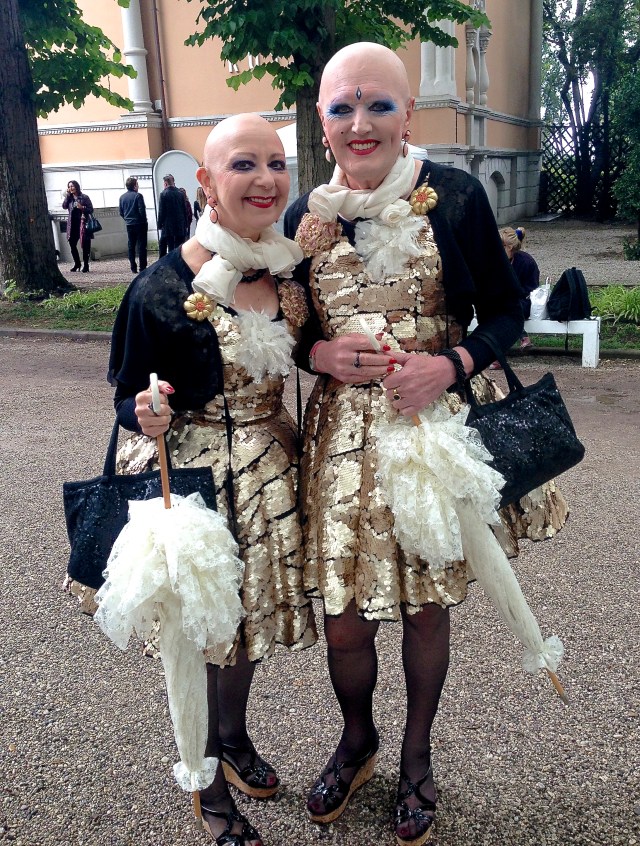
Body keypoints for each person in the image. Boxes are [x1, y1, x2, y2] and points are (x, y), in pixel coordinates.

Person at [284, 43, 524, 846]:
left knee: (424, 612)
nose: (361, 123)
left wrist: (451, 363)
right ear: (322, 121)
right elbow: (281, 333)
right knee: (346, 620)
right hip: (341, 445)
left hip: (432, 426)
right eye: (343, 107)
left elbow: (508, 314)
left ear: (407, 114)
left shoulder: (452, 196)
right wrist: (316, 355)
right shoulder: (302, 217)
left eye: (378, 105)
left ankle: (417, 758)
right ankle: (359, 741)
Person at [108, 113, 316, 846]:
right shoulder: (160, 288)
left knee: (249, 624)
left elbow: (315, 349)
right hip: (193, 482)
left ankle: (231, 739)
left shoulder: (289, 274)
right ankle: (206, 790)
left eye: (276, 163)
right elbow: (127, 397)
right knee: (200, 634)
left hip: (269, 478)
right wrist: (145, 414)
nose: (264, 179)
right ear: (206, 181)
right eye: (243, 165)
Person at [489, 225, 540, 368]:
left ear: (510, 247)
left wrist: (512, 293)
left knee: (506, 310)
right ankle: (523, 337)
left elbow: (532, 289)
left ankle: (498, 356)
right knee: (500, 309)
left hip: (524, 302)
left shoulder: (526, 262)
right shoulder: (496, 262)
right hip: (501, 302)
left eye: (500, 247)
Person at [62, 180, 93, 272]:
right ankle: (77, 263)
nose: (71, 188)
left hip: (83, 224)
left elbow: (91, 209)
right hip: (73, 225)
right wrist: (67, 196)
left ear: (76, 187)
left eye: (72, 186)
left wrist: (82, 207)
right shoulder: (70, 198)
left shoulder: (84, 197)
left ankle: (86, 265)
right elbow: (64, 206)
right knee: (72, 244)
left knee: (85, 245)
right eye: (69, 187)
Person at [118, 177, 148, 274]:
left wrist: (127, 218)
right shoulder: (138, 196)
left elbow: (121, 212)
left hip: (129, 224)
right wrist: (144, 221)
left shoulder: (122, 197)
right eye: (137, 184)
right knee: (142, 246)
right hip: (139, 223)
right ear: (135, 186)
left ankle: (133, 266)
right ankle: (142, 267)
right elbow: (141, 210)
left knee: (131, 245)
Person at [157, 174, 187, 257]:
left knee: (170, 247)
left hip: (169, 226)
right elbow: (184, 210)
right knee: (179, 247)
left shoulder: (163, 194)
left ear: (165, 183)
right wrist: (186, 224)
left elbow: (161, 211)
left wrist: (159, 224)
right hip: (180, 225)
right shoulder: (180, 193)